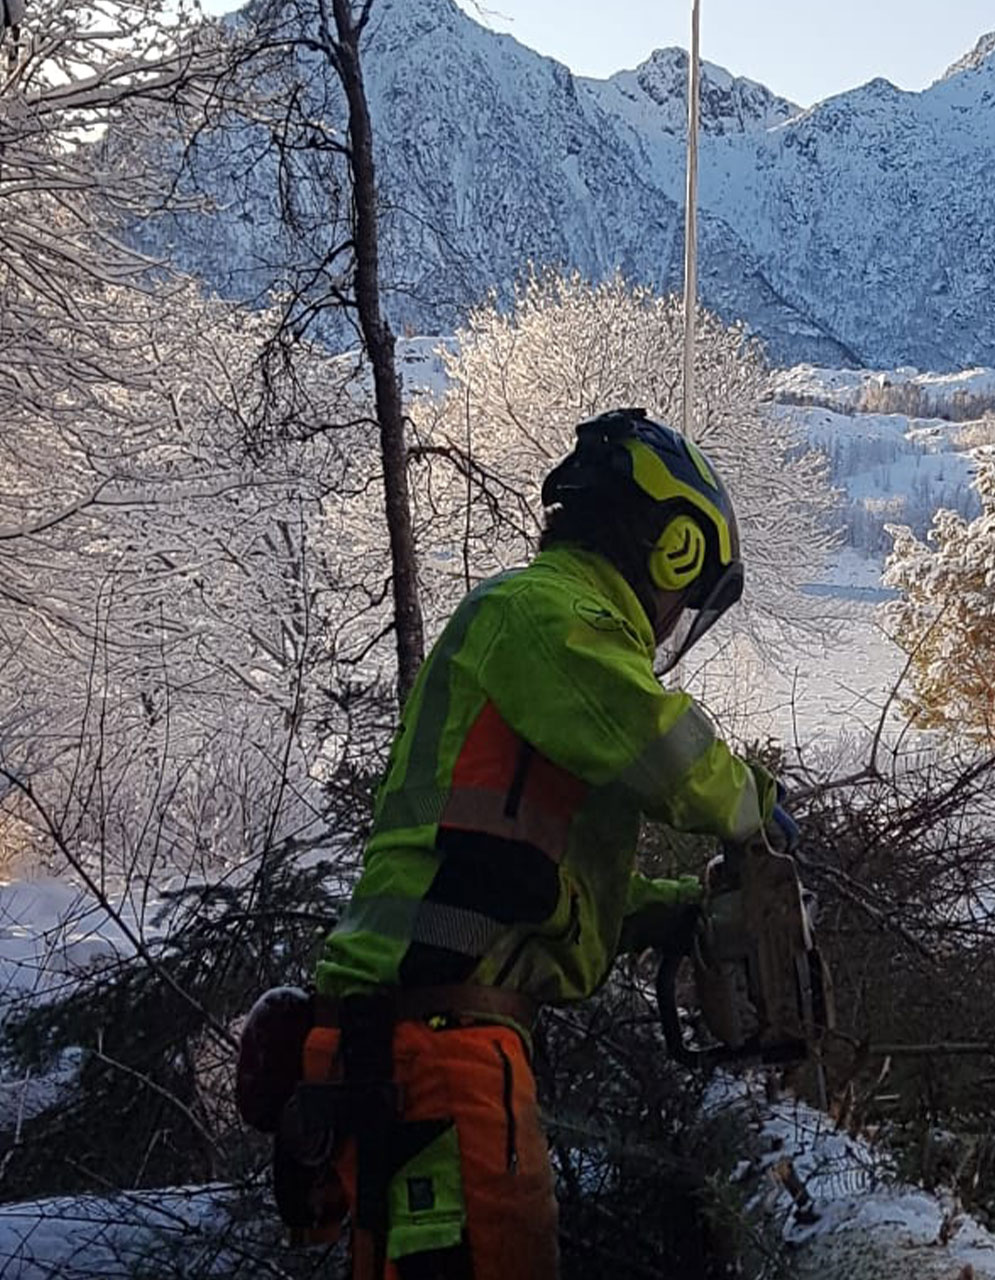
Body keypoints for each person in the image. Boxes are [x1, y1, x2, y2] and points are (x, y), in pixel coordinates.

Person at [290, 409, 796, 1280]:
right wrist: (756, 807)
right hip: (437, 1045)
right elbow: (664, 748)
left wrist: (664, 915)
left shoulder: (526, 631)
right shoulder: (544, 616)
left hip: (414, 1033)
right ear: (667, 548)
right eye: (686, 591)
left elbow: (510, 874)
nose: (675, 619)